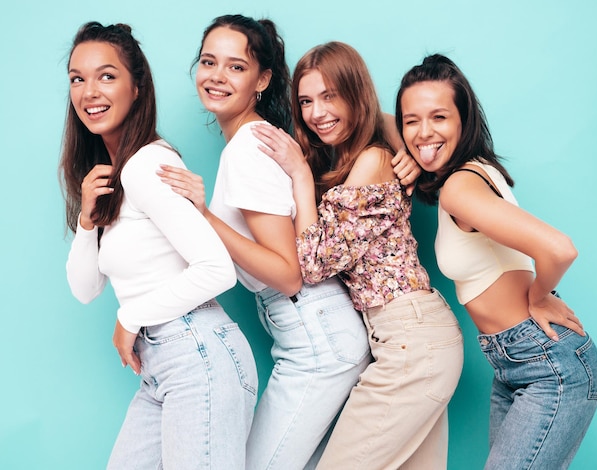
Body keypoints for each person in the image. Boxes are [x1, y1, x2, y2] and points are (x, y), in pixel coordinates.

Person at [157, 15, 373, 470]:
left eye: (236, 67)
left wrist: (203, 215)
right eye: (208, 61)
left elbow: (288, 272)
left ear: (263, 79)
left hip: (314, 334)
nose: (217, 76)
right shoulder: (253, 141)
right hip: (313, 332)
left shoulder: (249, 148)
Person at [252, 41, 464, 470]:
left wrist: (297, 173)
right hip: (412, 340)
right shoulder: (363, 155)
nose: (316, 112)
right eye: (307, 100)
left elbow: (312, 264)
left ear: (354, 94)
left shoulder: (370, 162)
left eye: (330, 96)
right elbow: (380, 119)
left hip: (412, 341)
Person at [60, 22, 257, 469]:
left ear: (137, 86)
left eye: (107, 76)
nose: (89, 91)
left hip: (198, 355)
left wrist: (130, 315)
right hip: (161, 367)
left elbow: (216, 268)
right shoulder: (115, 175)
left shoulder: (148, 164)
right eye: (77, 78)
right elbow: (85, 288)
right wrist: (87, 220)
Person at [395, 53, 597, 469]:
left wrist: (541, 296)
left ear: (463, 119)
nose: (423, 133)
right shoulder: (477, 170)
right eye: (410, 121)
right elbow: (391, 122)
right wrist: (402, 135)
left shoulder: (459, 188)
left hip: (547, 366)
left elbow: (560, 248)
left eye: (439, 117)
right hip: (514, 364)